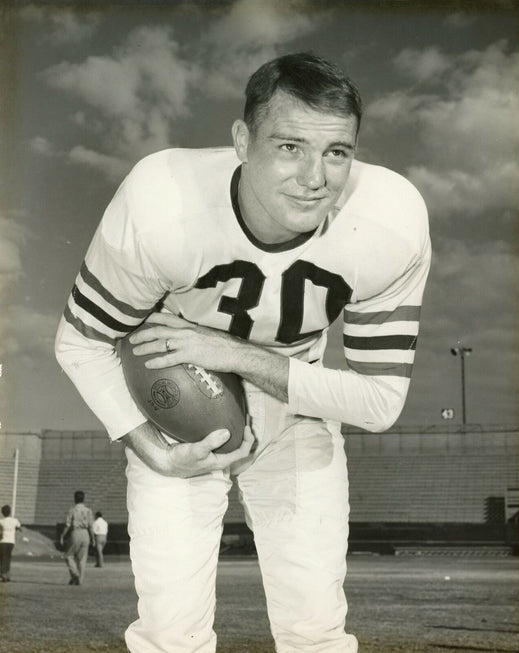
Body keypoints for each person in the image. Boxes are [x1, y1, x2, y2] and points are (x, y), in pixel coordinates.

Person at [55, 52, 431, 652]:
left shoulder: (390, 221)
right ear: (241, 140)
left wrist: (234, 353)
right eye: (289, 146)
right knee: (169, 633)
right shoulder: (161, 204)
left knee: (315, 628)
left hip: (297, 395)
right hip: (183, 407)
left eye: (337, 151)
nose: (315, 177)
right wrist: (151, 448)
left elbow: (379, 403)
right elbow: (81, 340)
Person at [60, 490, 95, 585]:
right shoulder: (88, 510)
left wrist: (63, 535)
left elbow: (67, 525)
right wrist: (93, 538)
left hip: (75, 533)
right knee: (82, 559)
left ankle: (75, 574)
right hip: (86, 534)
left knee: (68, 555)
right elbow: (91, 526)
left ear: (74, 499)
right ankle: (80, 580)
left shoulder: (72, 510)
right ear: (83, 499)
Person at [0, 504, 21, 582]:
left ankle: (3, 573)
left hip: (2, 541)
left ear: (2, 513)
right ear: (10, 512)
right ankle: (7, 573)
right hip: (11, 541)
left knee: (2, 557)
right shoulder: (14, 520)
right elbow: (18, 527)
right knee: (8, 557)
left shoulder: (1, 521)